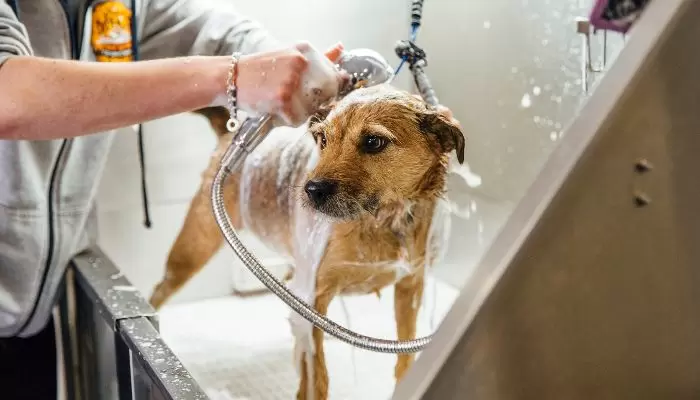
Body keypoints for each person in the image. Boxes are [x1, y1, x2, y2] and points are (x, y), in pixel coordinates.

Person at [0, 1, 345, 398]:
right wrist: (233, 78)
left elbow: (216, 33)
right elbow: (10, 95)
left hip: (30, 313)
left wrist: (300, 68)